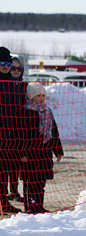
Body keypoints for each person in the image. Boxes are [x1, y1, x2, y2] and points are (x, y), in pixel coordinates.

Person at [19, 82, 62, 213]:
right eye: (38, 95)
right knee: (30, 181)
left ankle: (39, 204)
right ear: (31, 96)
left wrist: (58, 150)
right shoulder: (25, 111)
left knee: (40, 181)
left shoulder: (47, 111)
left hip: (44, 152)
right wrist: (22, 153)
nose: (41, 98)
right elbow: (20, 134)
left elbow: (54, 131)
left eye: (43, 95)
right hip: (30, 154)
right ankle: (30, 206)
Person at [0, 46, 26, 214]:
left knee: (4, 170)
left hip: (8, 134)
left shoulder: (12, 83)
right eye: (2, 62)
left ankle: (4, 203)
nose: (7, 66)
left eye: (8, 62)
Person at [6, 56, 24, 203]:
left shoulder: (24, 87)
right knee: (4, 163)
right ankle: (3, 192)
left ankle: (14, 190)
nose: (16, 71)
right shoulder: (5, 85)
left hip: (19, 130)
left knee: (15, 163)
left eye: (19, 68)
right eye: (13, 68)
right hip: (6, 129)